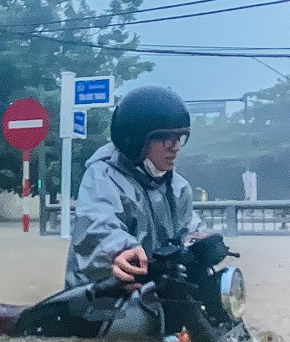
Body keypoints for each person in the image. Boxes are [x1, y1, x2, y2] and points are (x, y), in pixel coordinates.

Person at [65, 85, 207, 289]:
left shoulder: (177, 186)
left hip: (157, 293)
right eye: (167, 139)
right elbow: (97, 226)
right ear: (137, 139)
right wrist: (118, 252)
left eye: (179, 138)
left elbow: (186, 228)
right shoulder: (103, 176)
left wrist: (198, 240)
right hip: (102, 299)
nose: (175, 147)